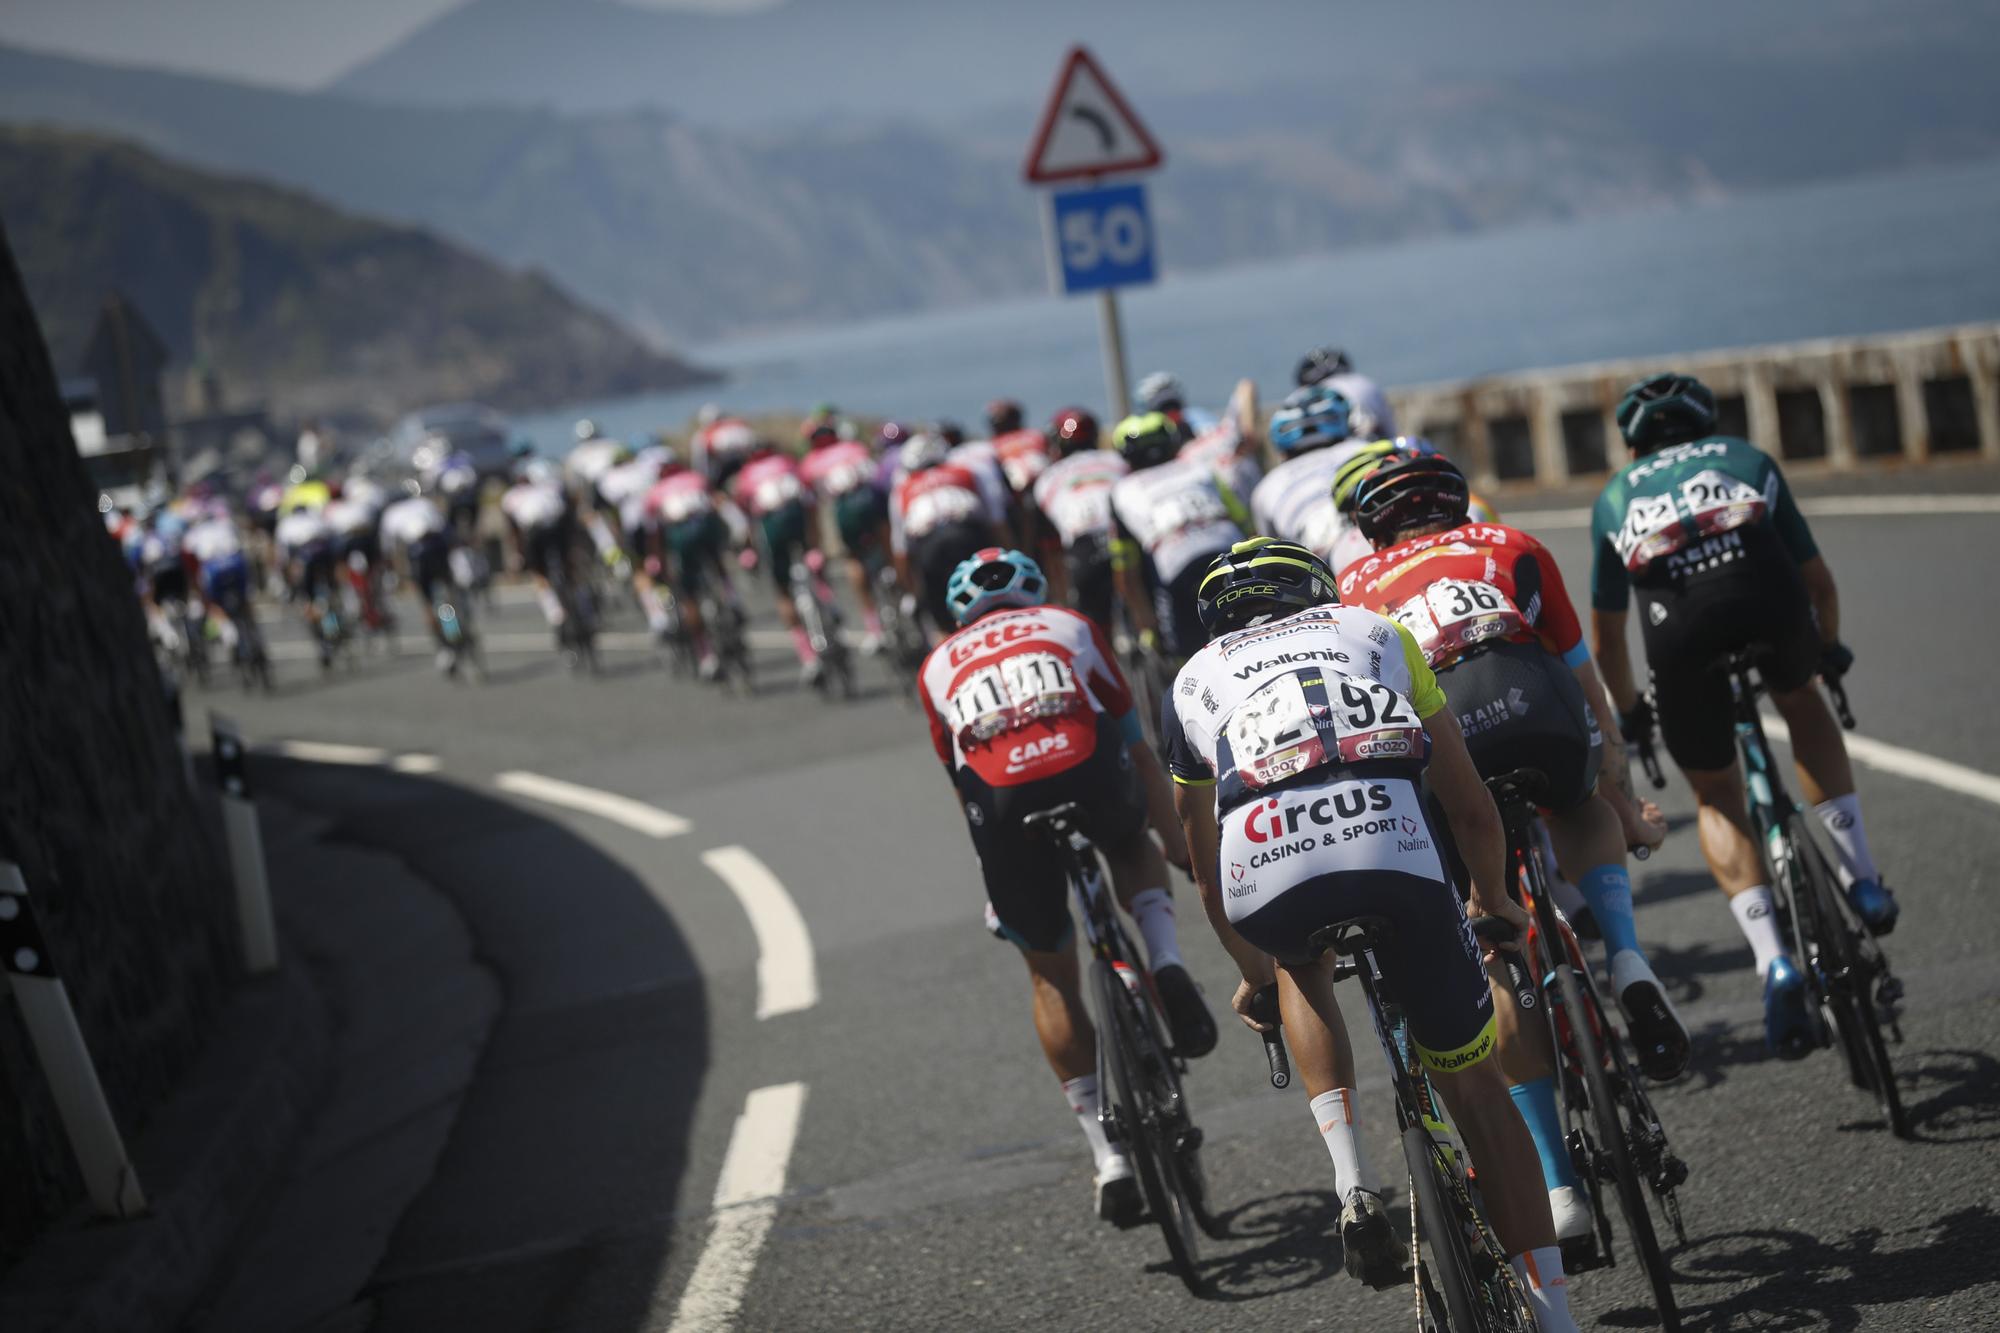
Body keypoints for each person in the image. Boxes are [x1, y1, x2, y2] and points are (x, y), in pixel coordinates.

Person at [1165, 538, 1579, 1331]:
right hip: (1394, 849)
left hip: (1268, 869)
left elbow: (1202, 856)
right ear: (1316, 589)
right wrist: (1492, 897)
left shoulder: (1191, 677)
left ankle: (1351, 1178)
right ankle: (1557, 1321)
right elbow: (1465, 800)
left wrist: (1250, 966)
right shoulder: (1375, 629)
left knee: (1297, 963)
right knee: (1478, 1092)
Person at [1591, 372, 1894, 1059]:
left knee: (1716, 791)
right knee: (1800, 697)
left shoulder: (1616, 495)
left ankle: (1772, 958)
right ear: (1707, 421)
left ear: (1636, 443)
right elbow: (1818, 582)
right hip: (1768, 599)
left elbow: (1606, 635)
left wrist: (1635, 714)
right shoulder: (1745, 458)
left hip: (1681, 631)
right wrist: (1826, 648)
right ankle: (1864, 880)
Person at [917, 547, 1212, 1222]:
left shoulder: (936, 664)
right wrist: (1178, 846)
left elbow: (958, 776)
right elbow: (1138, 747)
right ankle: (1163, 957)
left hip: (1000, 805)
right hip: (1085, 776)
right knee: (1128, 839)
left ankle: (1107, 1157)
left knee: (1048, 974)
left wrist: (999, 883)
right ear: (1032, 589)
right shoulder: (1070, 624)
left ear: (960, 609)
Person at [1107, 411, 1255, 665]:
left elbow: (1126, 572)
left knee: (1187, 660)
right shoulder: (1201, 469)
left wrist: (1148, 627)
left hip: (1177, 569)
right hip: (1232, 554)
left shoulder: (1121, 491)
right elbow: (1246, 524)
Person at [729, 438, 831, 683]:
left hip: (771, 527)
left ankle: (807, 657)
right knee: (814, 561)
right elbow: (810, 498)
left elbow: (746, 517)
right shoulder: (788, 463)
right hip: (797, 517)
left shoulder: (746, 476)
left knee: (783, 591)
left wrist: (748, 550)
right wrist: (816, 542)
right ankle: (829, 600)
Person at [891, 433, 1009, 640]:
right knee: (995, 602)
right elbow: (996, 522)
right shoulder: (967, 471)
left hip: (930, 546)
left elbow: (901, 549)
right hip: (969, 535)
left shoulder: (902, 488)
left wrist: (911, 592)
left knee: (944, 627)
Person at [1249, 383, 1379, 567]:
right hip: (1368, 537)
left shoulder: (1265, 488)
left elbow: (1270, 551)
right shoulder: (1360, 448)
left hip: (1314, 562)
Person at [1031, 408, 1128, 632]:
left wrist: (1062, 599)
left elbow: (1051, 550)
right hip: (1122, 535)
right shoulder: (1116, 460)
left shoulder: (1046, 478)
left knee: (1093, 626)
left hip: (1084, 546)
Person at [646, 449, 739, 681]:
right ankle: (731, 600)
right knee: (718, 565)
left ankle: (706, 656)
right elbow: (717, 505)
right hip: (706, 527)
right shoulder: (697, 479)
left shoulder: (655, 493)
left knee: (688, 593)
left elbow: (655, 532)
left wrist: (659, 562)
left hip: (680, 535)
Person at [800, 421, 893, 652]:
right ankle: (894, 575)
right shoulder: (855, 448)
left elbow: (812, 503)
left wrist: (816, 543)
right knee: (886, 542)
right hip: (869, 499)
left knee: (853, 559)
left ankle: (874, 629)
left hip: (844, 508)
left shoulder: (810, 463)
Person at [379, 481, 458, 669]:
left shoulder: (391, 514)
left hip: (419, 552)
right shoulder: (424, 503)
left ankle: (444, 647)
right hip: (438, 545)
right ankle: (457, 605)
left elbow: (388, 548)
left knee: (427, 600)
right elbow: (445, 528)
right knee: (450, 583)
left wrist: (393, 573)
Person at [501, 458, 581, 642]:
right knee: (570, 567)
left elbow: (514, 532)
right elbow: (568, 514)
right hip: (557, 530)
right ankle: (582, 604)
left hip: (534, 535)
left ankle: (556, 614)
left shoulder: (511, 496)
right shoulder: (552, 487)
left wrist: (517, 556)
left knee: (539, 575)